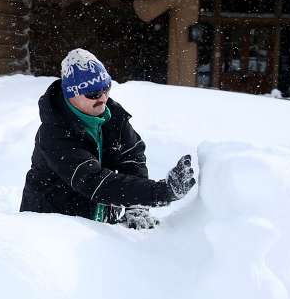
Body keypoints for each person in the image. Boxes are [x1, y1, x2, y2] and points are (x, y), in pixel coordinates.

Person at [20, 48, 197, 229]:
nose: (103, 98)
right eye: (93, 93)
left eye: (106, 88)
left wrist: (136, 206)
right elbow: (94, 181)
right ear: (71, 93)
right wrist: (161, 192)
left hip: (99, 228)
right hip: (50, 229)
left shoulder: (113, 117)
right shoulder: (54, 133)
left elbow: (132, 158)